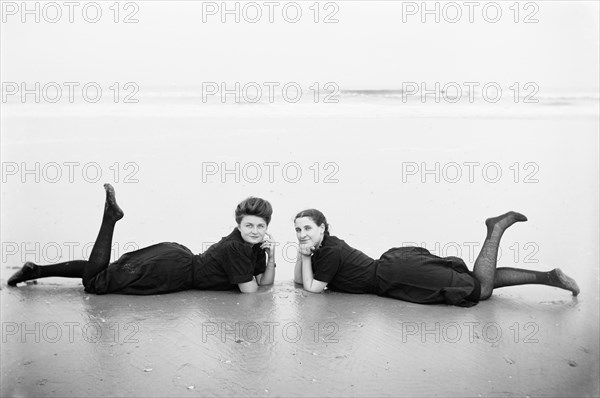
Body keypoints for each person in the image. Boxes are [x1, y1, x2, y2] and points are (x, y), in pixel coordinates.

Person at [7, 184, 276, 294]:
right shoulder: (238, 249)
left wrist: (271, 256)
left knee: (104, 271)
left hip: (175, 257)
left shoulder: (253, 246)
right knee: (95, 283)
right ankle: (109, 219)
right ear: (237, 225)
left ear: (267, 227)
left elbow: (264, 281)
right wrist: (254, 275)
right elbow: (251, 291)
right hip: (171, 271)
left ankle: (36, 270)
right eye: (249, 225)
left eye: (260, 226)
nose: (254, 230)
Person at [293, 209, 579, 307]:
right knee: (476, 282)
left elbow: (312, 289)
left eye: (307, 228)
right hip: (394, 269)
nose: (302, 233)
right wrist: (302, 252)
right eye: (297, 230)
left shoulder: (328, 250)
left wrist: (305, 257)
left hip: (396, 276)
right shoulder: (323, 246)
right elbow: (297, 281)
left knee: (481, 290)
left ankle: (496, 229)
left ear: (322, 227)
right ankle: (547, 277)